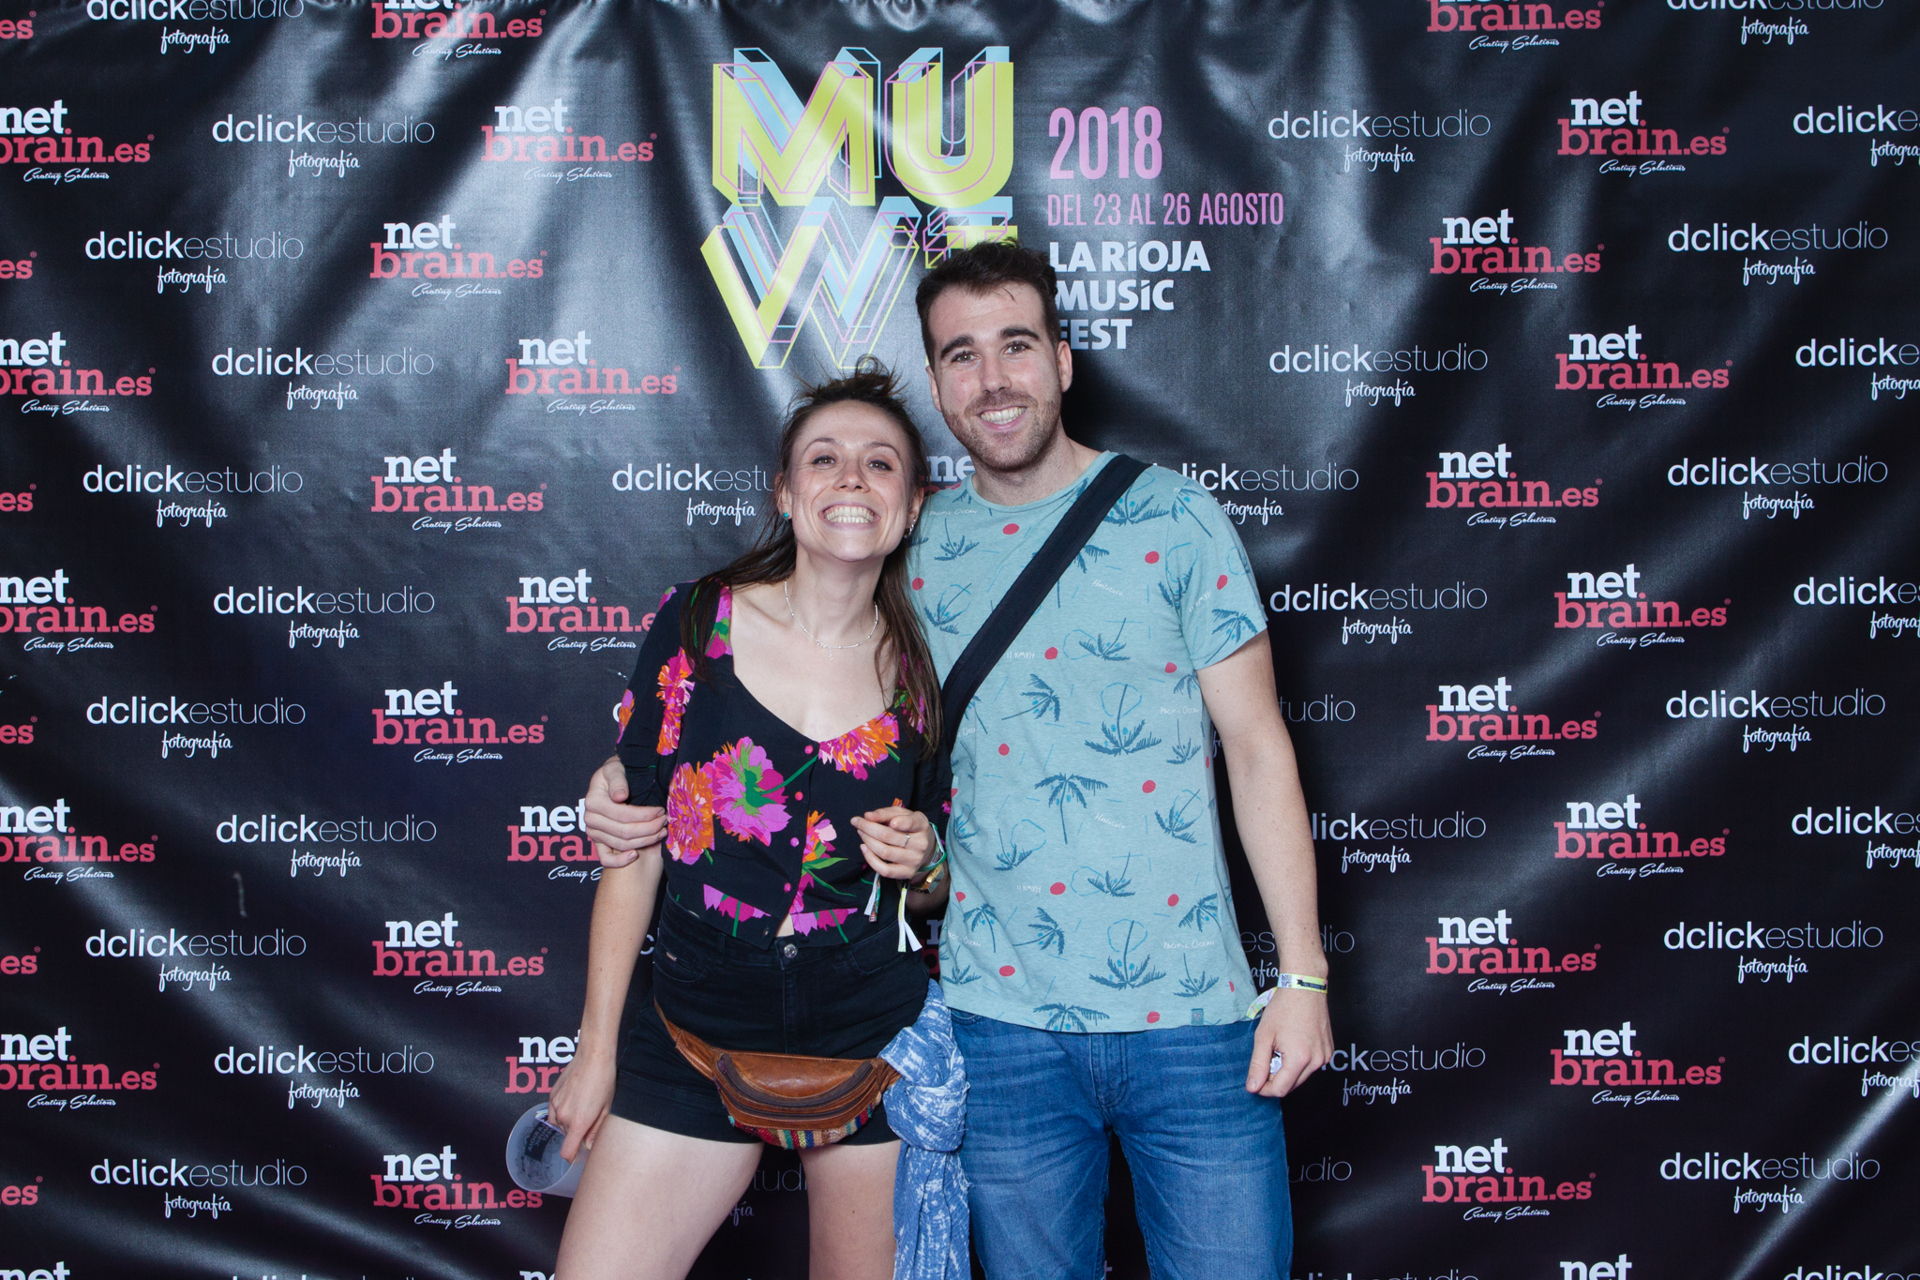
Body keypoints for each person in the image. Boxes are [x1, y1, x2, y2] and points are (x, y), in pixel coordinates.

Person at [588, 241, 1332, 1279]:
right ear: (938, 384)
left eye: (1016, 346)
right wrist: (628, 783)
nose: (993, 379)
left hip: (1194, 1016)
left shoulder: (1176, 517)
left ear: (1063, 361)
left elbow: (1257, 748)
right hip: (999, 1024)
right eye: (961, 355)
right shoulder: (908, 550)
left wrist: (1302, 973)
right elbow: (794, 702)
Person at [547, 361, 952, 1280]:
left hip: (867, 1029)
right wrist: (596, 1049)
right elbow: (633, 847)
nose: (851, 479)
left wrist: (926, 866)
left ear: (911, 508)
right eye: (824, 458)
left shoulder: (925, 670)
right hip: (694, 1018)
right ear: (785, 491)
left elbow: (928, 894)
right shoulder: (698, 623)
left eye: (881, 463)